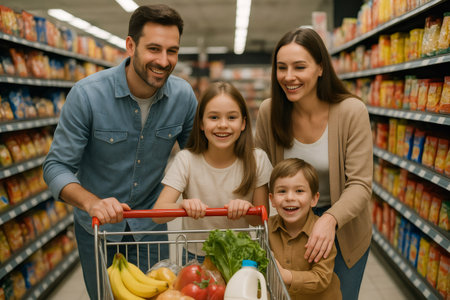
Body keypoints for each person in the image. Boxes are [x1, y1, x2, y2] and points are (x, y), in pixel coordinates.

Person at [43, 4, 198, 300]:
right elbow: (56, 166)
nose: (164, 61)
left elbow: (197, 159)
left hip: (151, 229)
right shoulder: (87, 95)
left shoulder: (183, 97)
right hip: (98, 231)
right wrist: (92, 203)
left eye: (172, 51)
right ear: (130, 45)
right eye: (154, 49)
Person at [255, 27, 373, 300]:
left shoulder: (351, 111)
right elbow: (259, 173)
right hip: (289, 221)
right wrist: (259, 226)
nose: (288, 76)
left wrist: (329, 219)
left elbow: (359, 184)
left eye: (299, 67)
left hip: (344, 225)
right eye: (281, 67)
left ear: (320, 68)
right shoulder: (269, 111)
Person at [152, 81, 272, 263]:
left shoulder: (257, 160)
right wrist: (182, 206)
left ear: (243, 123)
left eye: (232, 118)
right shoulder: (187, 160)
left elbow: (260, 218)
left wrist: (246, 209)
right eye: (214, 117)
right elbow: (158, 213)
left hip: (240, 254)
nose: (223, 125)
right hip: (195, 256)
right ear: (201, 123)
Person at [268, 158, 341, 300]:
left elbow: (322, 278)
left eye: (299, 191)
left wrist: (286, 276)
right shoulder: (267, 228)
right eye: (282, 191)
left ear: (314, 199)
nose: (290, 197)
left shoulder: (322, 234)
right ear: (272, 199)